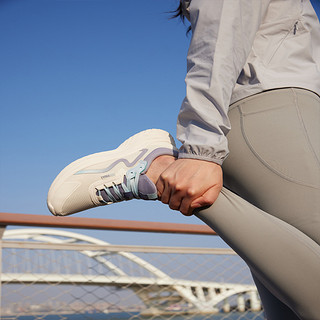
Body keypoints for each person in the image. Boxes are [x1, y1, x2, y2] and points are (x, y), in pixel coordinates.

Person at [47, 0, 320, 319]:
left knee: (296, 304)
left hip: (270, 131)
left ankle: (158, 174)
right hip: (277, 122)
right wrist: (200, 149)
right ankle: (155, 170)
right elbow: (220, 41)